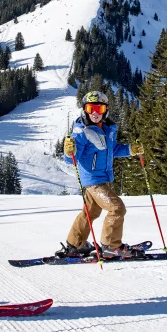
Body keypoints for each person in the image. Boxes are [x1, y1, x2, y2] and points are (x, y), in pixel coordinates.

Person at [59, 90, 144, 259]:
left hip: (102, 178)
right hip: (93, 181)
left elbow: (113, 150)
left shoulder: (108, 129)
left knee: (90, 213)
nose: (95, 113)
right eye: (91, 108)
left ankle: (75, 245)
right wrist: (69, 152)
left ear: (106, 109)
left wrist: (130, 149)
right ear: (85, 109)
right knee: (117, 208)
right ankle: (111, 245)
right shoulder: (82, 132)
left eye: (99, 108)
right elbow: (71, 160)